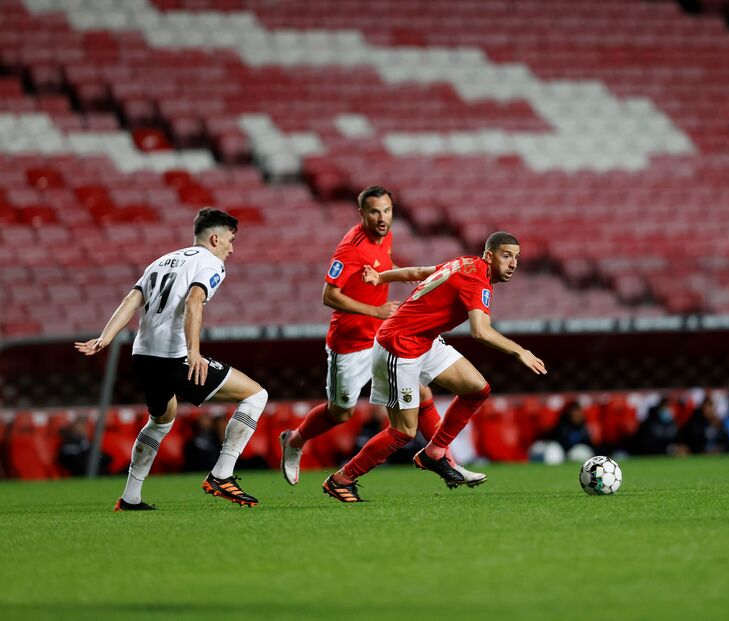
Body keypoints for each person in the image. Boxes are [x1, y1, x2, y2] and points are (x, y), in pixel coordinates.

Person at [278, 186, 486, 486]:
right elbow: (329, 296)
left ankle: (447, 462)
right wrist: (375, 311)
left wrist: (402, 276)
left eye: (387, 211)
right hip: (350, 344)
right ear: (361, 214)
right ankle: (295, 440)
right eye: (375, 212)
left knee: (422, 394)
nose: (382, 218)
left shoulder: (386, 236)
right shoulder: (350, 248)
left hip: (385, 338)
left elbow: (382, 266)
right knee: (341, 412)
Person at [321, 231, 547, 502]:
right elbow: (480, 331)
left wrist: (381, 277)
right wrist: (520, 351)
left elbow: (418, 272)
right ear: (489, 255)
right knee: (403, 431)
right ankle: (342, 479)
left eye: (516, 258)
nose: (513, 264)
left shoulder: (466, 263)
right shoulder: (477, 279)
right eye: (507, 256)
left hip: (425, 340)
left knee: (477, 388)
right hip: (399, 345)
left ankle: (435, 452)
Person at [75, 208, 269, 510]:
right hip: (173, 356)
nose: (231, 249)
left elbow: (132, 300)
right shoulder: (211, 263)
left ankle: (130, 497)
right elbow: (194, 301)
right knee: (256, 395)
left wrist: (105, 338)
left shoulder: (162, 261)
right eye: (230, 240)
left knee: (161, 420)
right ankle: (222, 474)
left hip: (143, 355)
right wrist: (193, 352)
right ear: (215, 238)